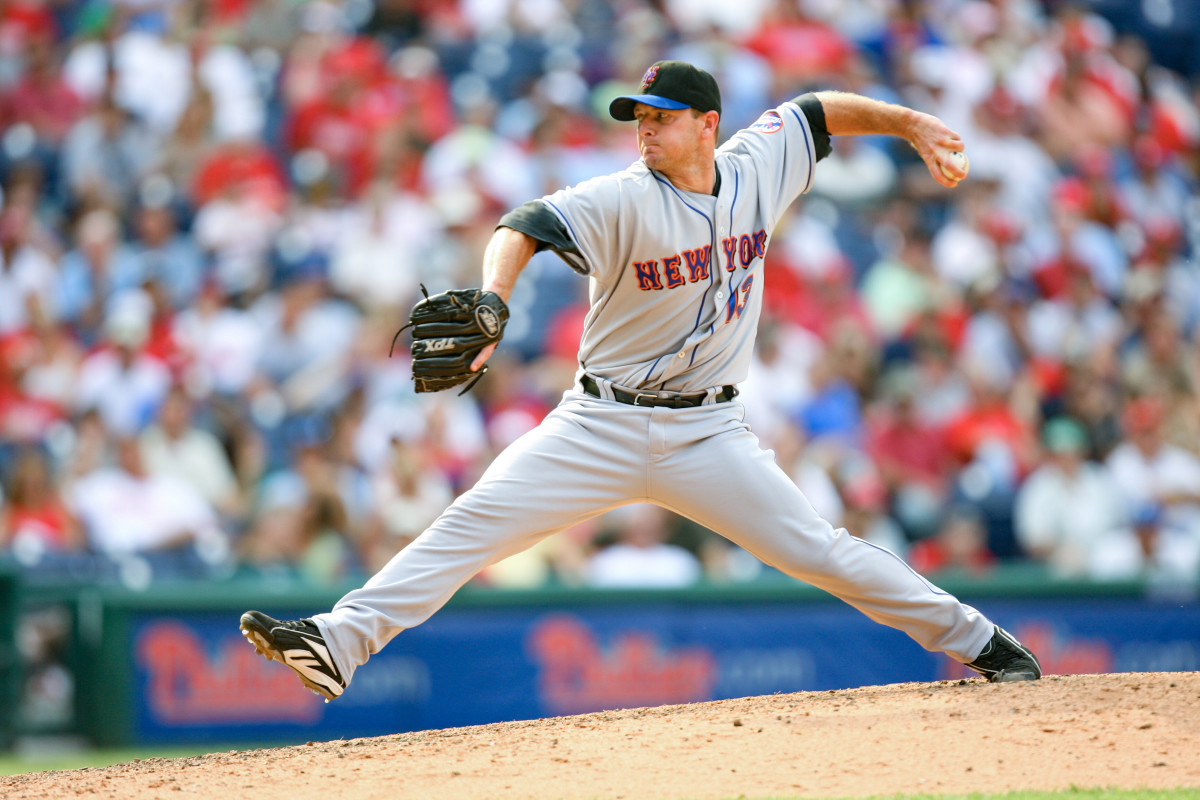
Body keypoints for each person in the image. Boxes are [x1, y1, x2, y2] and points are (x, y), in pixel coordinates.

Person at [241, 61, 1041, 702]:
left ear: (707, 125)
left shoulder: (759, 165)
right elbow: (523, 225)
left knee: (820, 552)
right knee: (471, 523)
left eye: (660, 118)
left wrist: (906, 123)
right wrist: (493, 298)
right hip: (599, 425)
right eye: (640, 118)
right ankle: (337, 644)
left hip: (709, 435)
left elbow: (817, 110)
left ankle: (982, 643)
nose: (646, 130)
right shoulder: (621, 196)